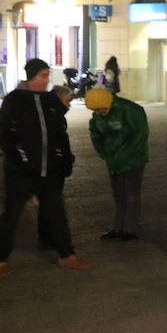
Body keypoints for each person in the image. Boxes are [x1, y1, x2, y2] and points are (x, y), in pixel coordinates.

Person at [0, 59, 89, 277]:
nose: (46, 80)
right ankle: (1, 258)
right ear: (31, 76)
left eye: (48, 75)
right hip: (21, 172)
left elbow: (60, 131)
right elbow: (6, 135)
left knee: (57, 213)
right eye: (42, 75)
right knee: (11, 215)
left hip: (48, 170)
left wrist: (63, 158)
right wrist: (20, 159)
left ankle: (67, 255)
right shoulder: (15, 99)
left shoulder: (50, 100)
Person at [85, 87, 150, 242]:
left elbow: (140, 135)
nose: (100, 113)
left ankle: (130, 229)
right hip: (113, 160)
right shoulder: (98, 115)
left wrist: (124, 156)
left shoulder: (130, 110)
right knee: (119, 194)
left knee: (131, 194)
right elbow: (96, 135)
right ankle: (118, 227)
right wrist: (105, 154)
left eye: (102, 110)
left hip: (132, 160)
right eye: (96, 111)